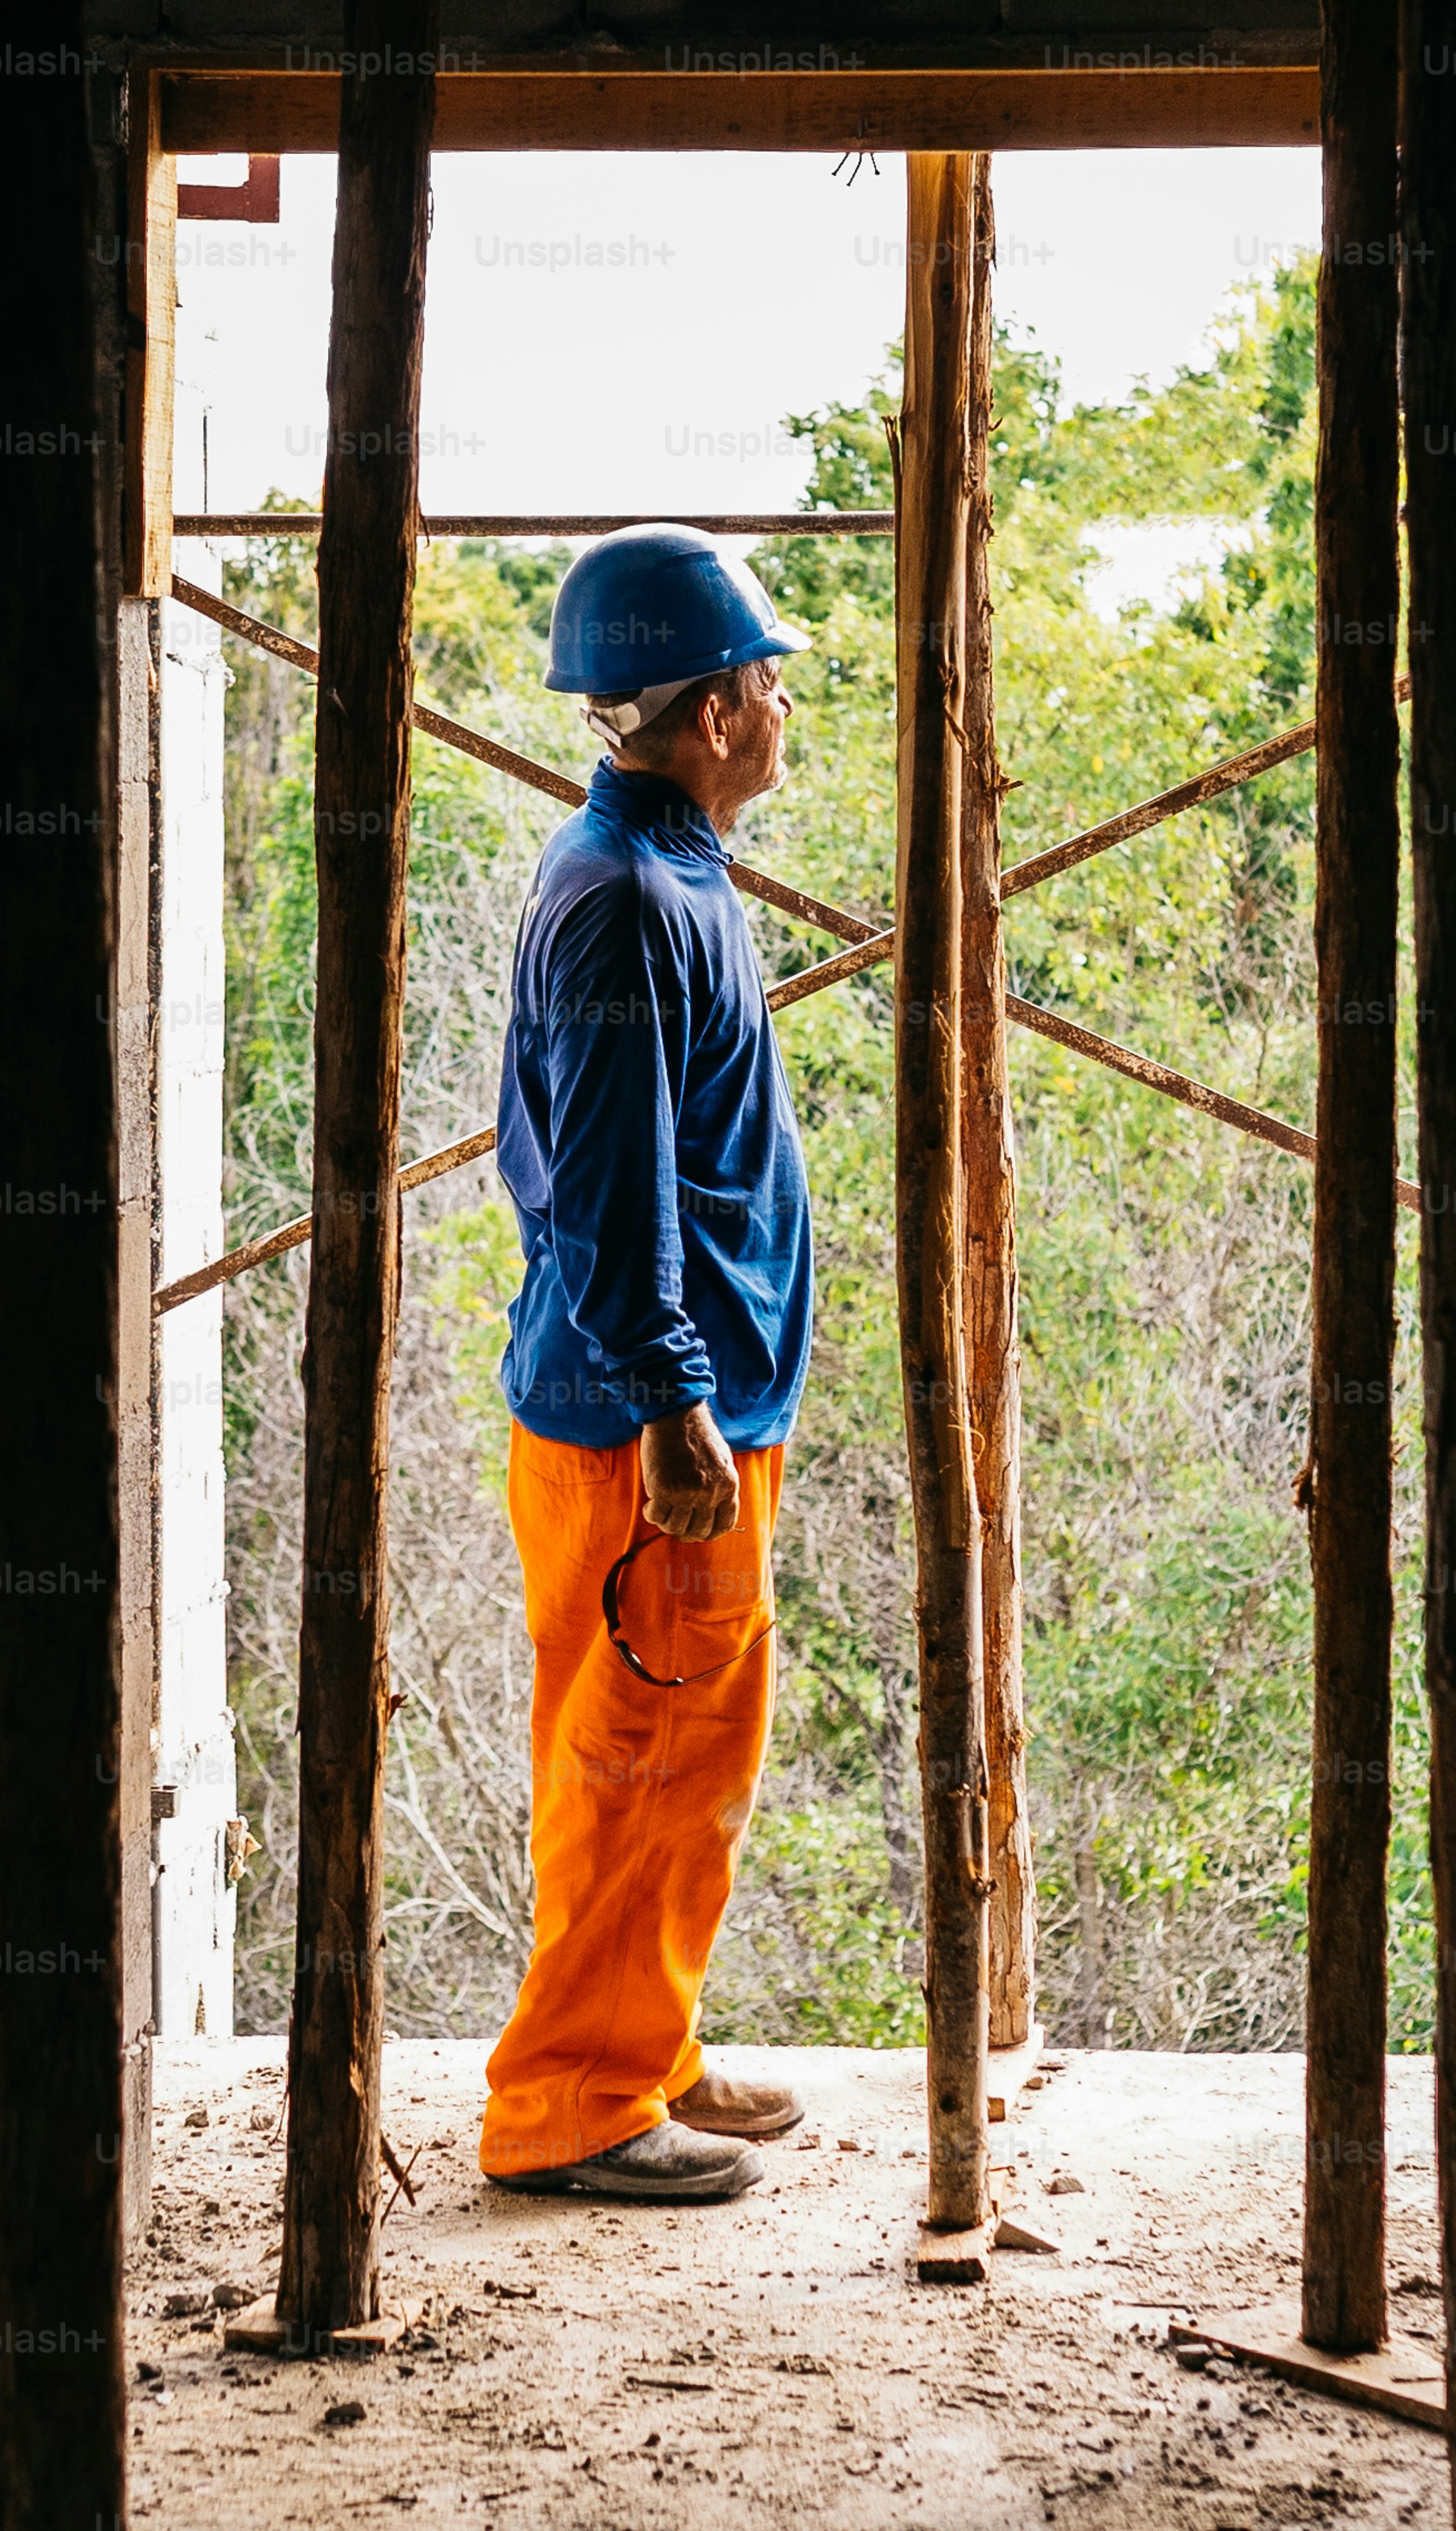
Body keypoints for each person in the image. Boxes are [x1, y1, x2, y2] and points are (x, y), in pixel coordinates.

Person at [480, 524, 818, 2204]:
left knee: (660, 1757)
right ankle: (576, 2100)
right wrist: (675, 1402)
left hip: (661, 1404)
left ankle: (646, 2041)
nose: (781, 708)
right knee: (640, 1759)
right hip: (649, 1427)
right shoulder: (623, 900)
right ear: (709, 713)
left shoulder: (650, 866)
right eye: (765, 681)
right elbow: (605, 1184)